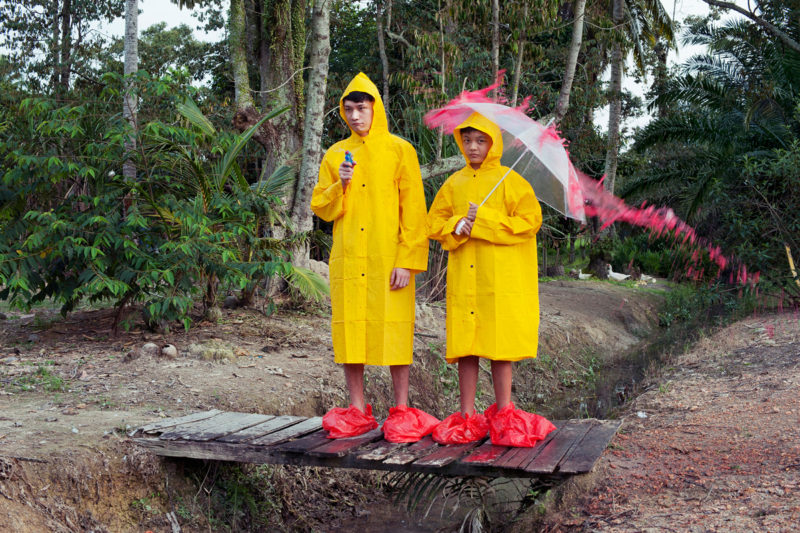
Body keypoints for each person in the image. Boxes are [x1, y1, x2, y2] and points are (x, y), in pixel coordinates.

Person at [311, 73, 438, 441]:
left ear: (375, 108)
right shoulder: (336, 154)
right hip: (350, 257)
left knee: (395, 329)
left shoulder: (401, 151)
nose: (354, 116)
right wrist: (342, 183)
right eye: (348, 109)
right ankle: (356, 407)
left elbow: (414, 213)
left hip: (389, 259)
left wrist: (407, 260)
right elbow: (321, 206)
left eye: (361, 108)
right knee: (351, 329)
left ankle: (401, 407)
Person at [427, 112, 556, 447]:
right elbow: (434, 222)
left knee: (500, 349)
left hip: (498, 281)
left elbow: (529, 222)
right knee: (466, 349)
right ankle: (467, 414)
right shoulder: (453, 183)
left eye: (480, 141)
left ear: (493, 143)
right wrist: (457, 225)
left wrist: (482, 220)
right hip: (464, 280)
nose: (473, 147)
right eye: (468, 140)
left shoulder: (511, 181)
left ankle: (505, 412)